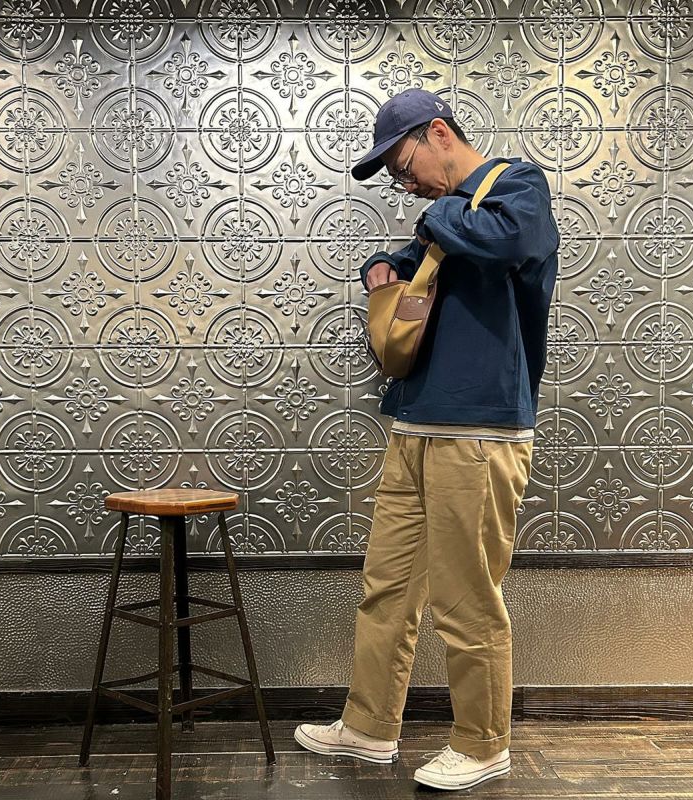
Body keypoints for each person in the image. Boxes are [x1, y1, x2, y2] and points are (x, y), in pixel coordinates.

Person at [294, 88, 559, 791]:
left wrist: (435, 213)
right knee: (386, 589)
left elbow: (509, 242)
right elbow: (413, 258)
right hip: (414, 422)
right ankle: (370, 726)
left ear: (438, 133)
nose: (403, 183)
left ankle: (483, 743)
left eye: (402, 166)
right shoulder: (450, 215)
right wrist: (380, 267)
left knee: (467, 599)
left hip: (479, 432)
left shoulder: (515, 187)